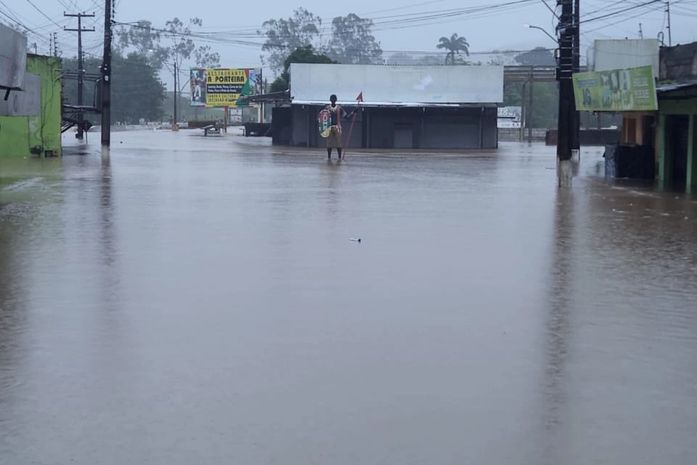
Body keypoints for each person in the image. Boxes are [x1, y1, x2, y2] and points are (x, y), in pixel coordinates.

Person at [325, 94, 355, 160]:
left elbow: (347, 117)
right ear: (330, 100)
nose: (333, 100)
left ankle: (339, 157)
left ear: (336, 100)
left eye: (334, 99)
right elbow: (321, 117)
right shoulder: (326, 108)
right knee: (329, 143)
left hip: (337, 127)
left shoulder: (339, 108)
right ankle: (329, 157)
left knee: (339, 143)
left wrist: (353, 113)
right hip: (329, 127)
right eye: (332, 99)